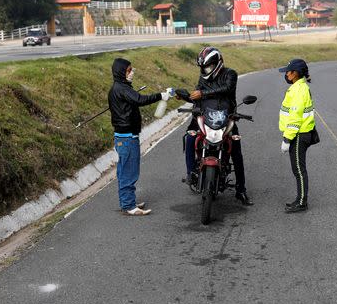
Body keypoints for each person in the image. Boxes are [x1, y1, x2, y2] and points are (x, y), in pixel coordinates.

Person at [178, 46, 253, 206]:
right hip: (206, 115)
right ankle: (191, 172)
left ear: (217, 63)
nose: (205, 70)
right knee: (190, 137)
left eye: (208, 66)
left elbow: (226, 89)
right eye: (203, 67)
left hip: (227, 116)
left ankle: (241, 190)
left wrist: (203, 93)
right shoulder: (203, 78)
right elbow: (197, 95)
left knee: (236, 151)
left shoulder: (230, 74)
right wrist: (185, 96)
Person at [108, 58, 172, 216]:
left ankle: (127, 202)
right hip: (127, 138)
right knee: (129, 172)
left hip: (123, 137)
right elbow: (140, 100)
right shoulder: (122, 88)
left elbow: (133, 99)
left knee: (124, 172)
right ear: (121, 72)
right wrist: (160, 96)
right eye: (129, 70)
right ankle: (129, 206)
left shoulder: (119, 88)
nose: (132, 73)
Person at [278, 58, 317, 213]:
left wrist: (287, 138)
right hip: (300, 133)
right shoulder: (298, 87)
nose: (286, 74)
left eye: (288, 71)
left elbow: (295, 116)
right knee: (298, 169)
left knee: (299, 170)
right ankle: (300, 199)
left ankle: (302, 202)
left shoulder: (298, 90)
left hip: (299, 134)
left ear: (295, 73)